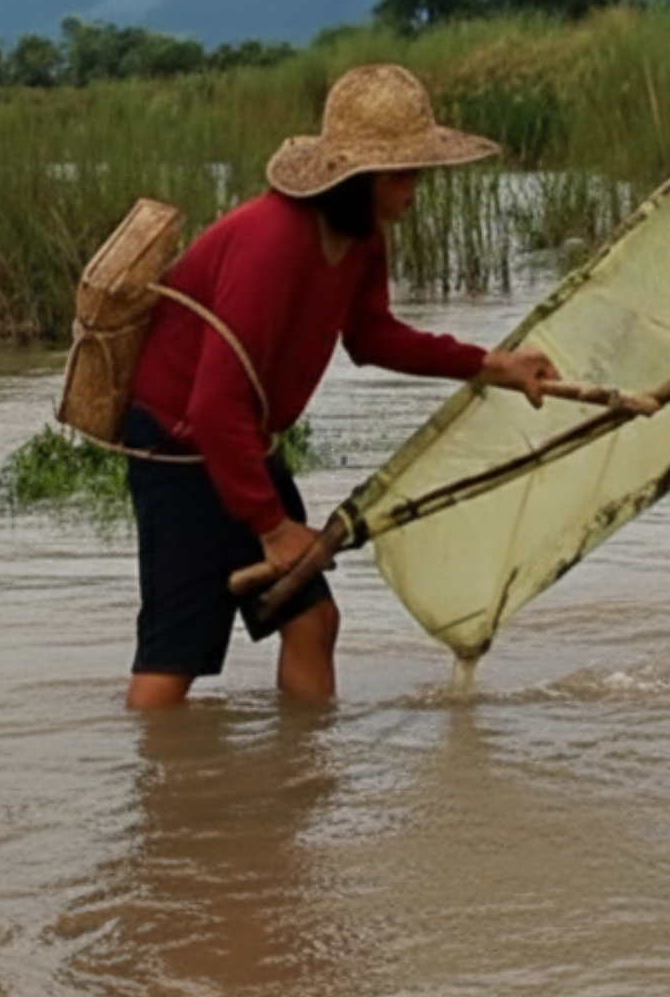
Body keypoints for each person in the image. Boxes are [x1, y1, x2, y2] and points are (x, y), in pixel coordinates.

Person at [124, 63, 559, 711]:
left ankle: (298, 782)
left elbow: (373, 336)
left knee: (312, 621)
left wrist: (495, 364)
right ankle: (159, 798)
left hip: (246, 441)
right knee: (176, 655)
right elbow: (211, 407)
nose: (415, 190)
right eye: (403, 175)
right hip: (183, 448)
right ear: (357, 180)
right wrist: (270, 526)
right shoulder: (271, 243)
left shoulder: (360, 240)